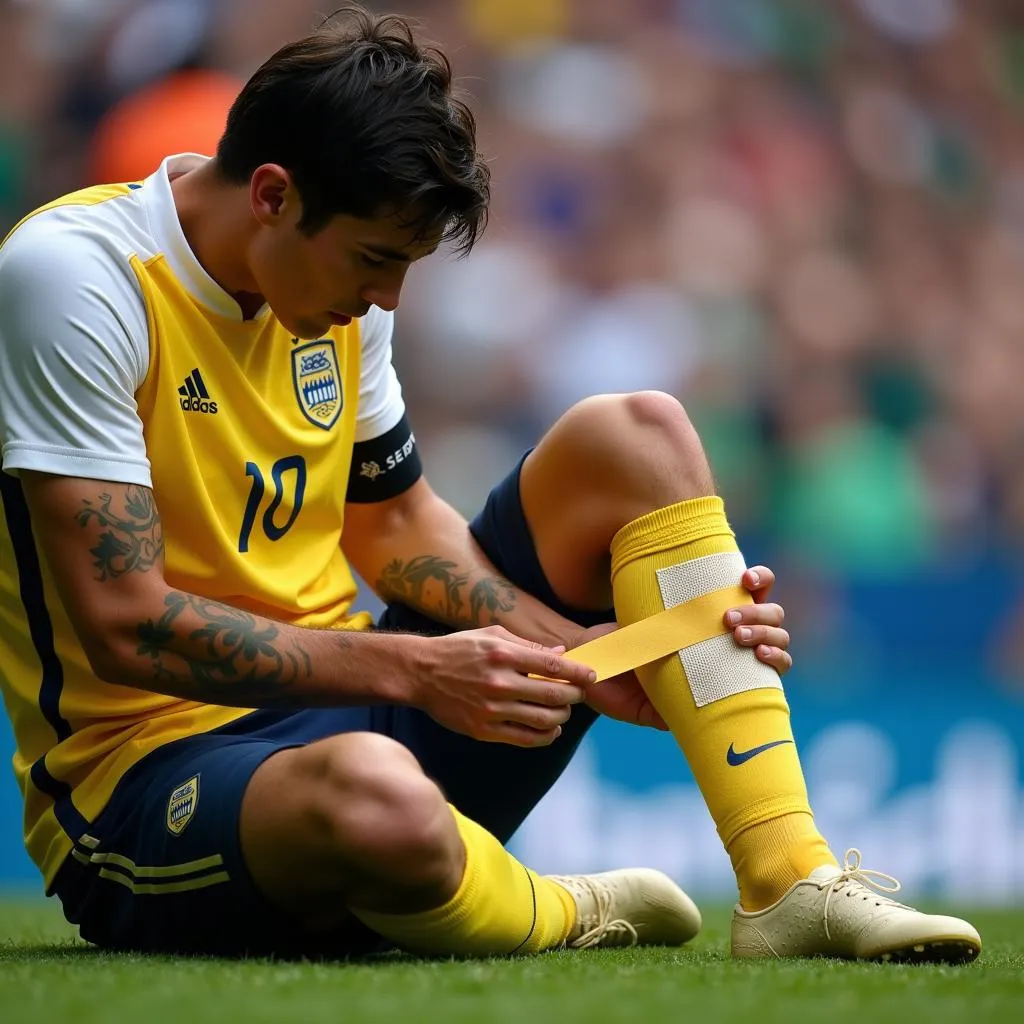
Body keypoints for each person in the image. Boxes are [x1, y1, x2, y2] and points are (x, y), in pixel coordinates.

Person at [0, 5, 980, 963]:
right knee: (379, 798)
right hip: (145, 785)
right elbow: (124, 625)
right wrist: (417, 671)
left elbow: (396, 529)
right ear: (271, 194)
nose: (385, 299)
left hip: (356, 705)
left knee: (636, 433)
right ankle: (554, 906)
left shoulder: (331, 291)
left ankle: (789, 881)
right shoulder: (75, 280)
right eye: (377, 260)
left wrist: (584, 659)